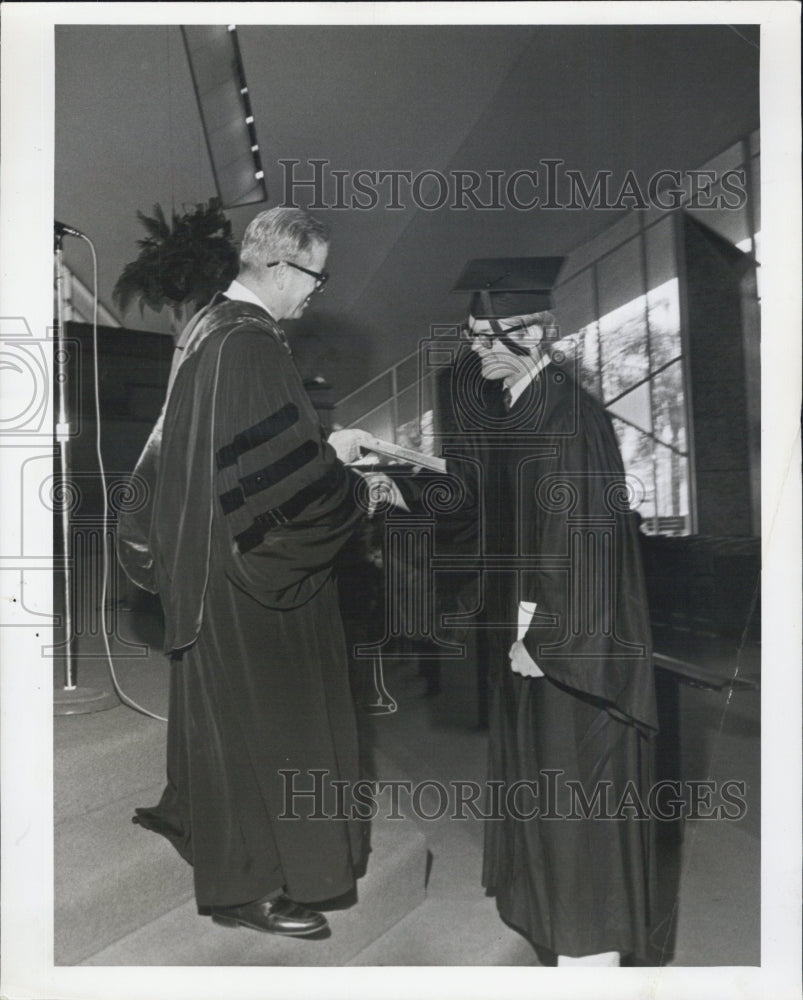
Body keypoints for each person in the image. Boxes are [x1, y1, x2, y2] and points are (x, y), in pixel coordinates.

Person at [118, 207, 376, 937]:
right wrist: (351, 483)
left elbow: (233, 449)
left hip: (206, 556)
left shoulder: (210, 328)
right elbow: (281, 487)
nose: (314, 294)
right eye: (315, 278)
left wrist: (323, 443)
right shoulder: (252, 345)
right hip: (245, 572)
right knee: (267, 721)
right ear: (281, 268)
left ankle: (202, 820)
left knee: (226, 714)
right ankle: (246, 888)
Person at [447, 257, 659, 965]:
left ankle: (587, 959)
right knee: (548, 796)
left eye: (487, 336)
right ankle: (564, 945)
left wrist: (539, 639)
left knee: (577, 804)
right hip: (538, 640)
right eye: (471, 336)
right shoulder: (531, 407)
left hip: (572, 650)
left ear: (535, 334)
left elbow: (580, 542)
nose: (476, 350)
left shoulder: (566, 415)